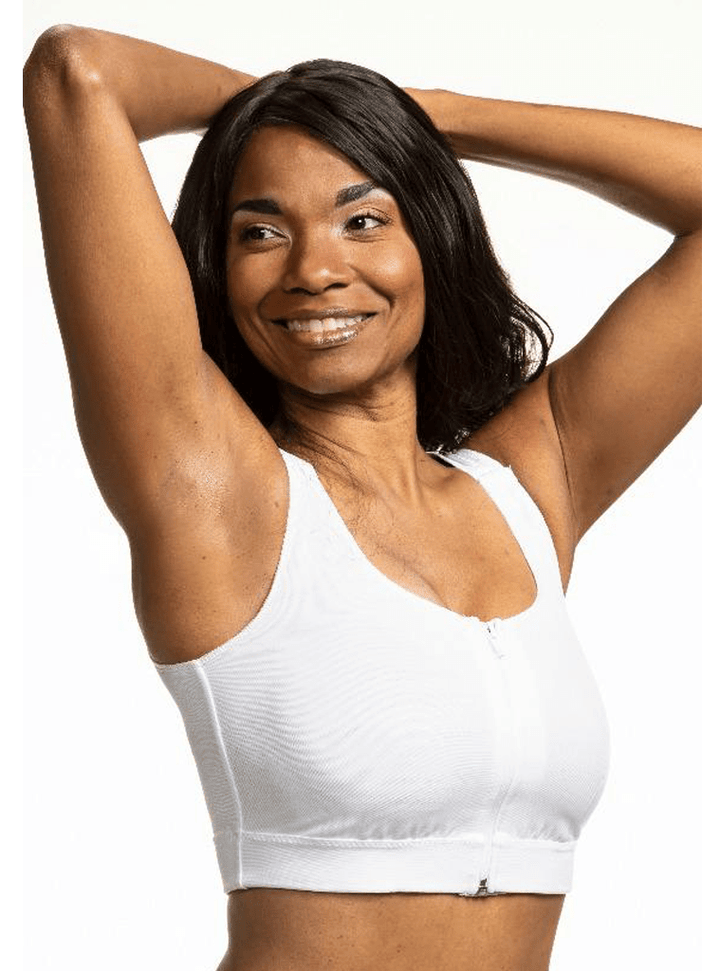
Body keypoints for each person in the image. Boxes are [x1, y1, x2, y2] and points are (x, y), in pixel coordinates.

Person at [23, 23, 701, 971]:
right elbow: (76, 72)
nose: (313, 269)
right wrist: (285, 104)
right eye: (262, 232)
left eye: (363, 218)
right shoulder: (212, 492)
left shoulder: (529, 491)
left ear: (432, 236)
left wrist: (421, 118)